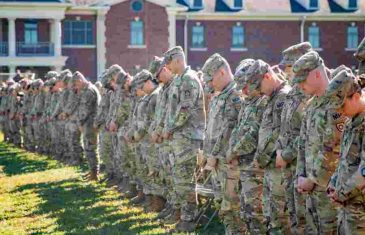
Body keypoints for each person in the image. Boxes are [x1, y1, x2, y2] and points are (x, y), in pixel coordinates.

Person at [294, 51, 346, 234]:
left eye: (303, 80)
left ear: (316, 74)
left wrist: (312, 179)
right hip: (311, 192)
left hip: (330, 193)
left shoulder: (337, 103)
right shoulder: (311, 104)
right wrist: (301, 176)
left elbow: (335, 148)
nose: (300, 85)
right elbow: (303, 143)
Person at [162, 46, 206, 232]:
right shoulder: (178, 79)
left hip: (188, 139)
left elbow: (184, 110)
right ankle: (183, 217)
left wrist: (170, 128)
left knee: (186, 182)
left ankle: (188, 221)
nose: (167, 67)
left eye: (169, 63)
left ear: (179, 60)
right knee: (179, 180)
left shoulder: (188, 79)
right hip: (179, 138)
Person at [201, 53, 244, 234]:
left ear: (221, 73)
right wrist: (206, 152)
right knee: (222, 207)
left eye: (211, 79)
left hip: (229, 163)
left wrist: (214, 154)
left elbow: (230, 130)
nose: (209, 84)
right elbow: (211, 128)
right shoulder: (219, 95)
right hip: (216, 162)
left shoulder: (235, 95)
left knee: (233, 209)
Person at [72, 71, 101, 180]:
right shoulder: (87, 90)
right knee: (88, 148)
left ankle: (94, 173)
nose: (76, 87)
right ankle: (92, 170)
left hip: (90, 124)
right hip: (88, 123)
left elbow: (85, 110)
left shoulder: (89, 91)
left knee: (90, 148)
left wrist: (80, 122)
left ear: (80, 80)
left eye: (76, 84)